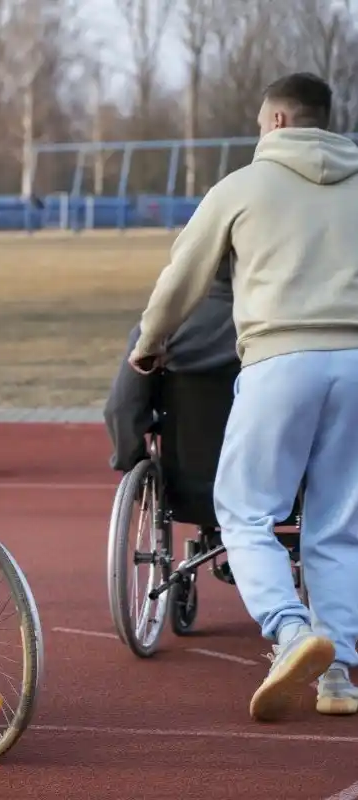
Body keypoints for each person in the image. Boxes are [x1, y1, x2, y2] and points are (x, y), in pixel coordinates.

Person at [128, 73, 358, 721]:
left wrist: (149, 341)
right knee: (339, 525)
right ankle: (335, 672)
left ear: (278, 122)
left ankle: (289, 631)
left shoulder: (240, 187)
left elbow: (183, 278)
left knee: (245, 512)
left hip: (280, 360)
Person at [104, 253, 238, 473]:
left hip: (186, 484)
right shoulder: (275, 330)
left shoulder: (155, 331)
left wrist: (132, 461)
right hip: (268, 489)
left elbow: (121, 408)